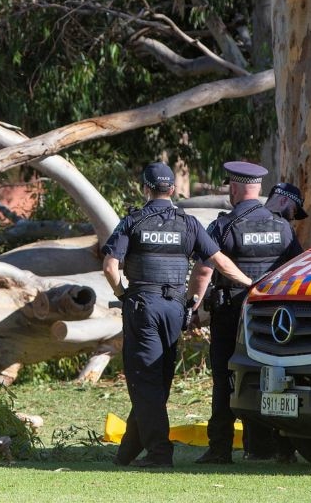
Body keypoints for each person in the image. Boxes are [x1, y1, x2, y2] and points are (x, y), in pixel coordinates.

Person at [102, 162, 254, 468]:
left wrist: (122, 294)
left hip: (143, 304)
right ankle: (127, 452)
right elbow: (219, 261)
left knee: (145, 382)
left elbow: (109, 267)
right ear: (172, 189)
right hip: (174, 308)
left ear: (145, 188)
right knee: (158, 380)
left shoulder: (132, 221)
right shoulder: (189, 223)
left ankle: (159, 454)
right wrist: (253, 284)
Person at [194, 162, 303, 465]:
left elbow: (204, 270)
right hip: (272, 317)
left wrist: (193, 306)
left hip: (231, 312)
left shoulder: (223, 225)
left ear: (234, 188)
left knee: (225, 379)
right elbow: (297, 268)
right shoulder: (282, 226)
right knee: (275, 377)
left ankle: (220, 449)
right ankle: (279, 447)